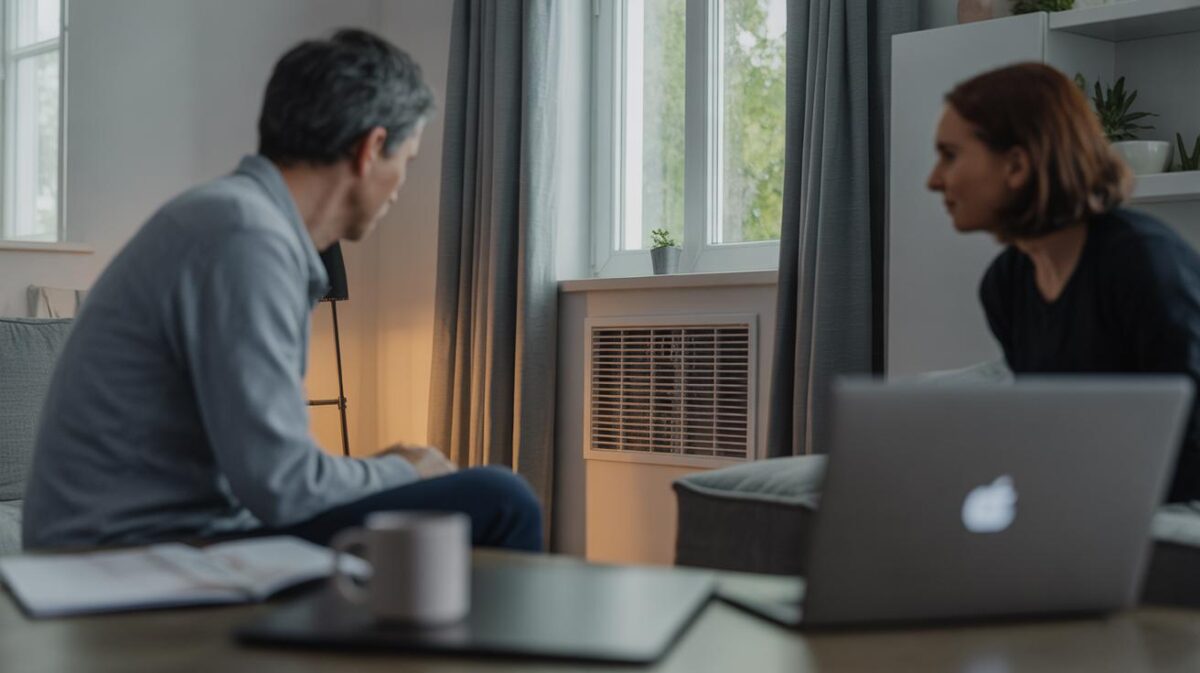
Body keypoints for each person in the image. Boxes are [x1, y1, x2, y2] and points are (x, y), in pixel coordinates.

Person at [22, 29, 542, 551]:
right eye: (405, 162)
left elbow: (267, 474)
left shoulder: (235, 221)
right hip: (120, 556)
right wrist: (405, 470)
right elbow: (284, 486)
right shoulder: (245, 236)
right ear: (371, 148)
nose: (401, 187)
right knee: (502, 499)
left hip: (155, 535)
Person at [926, 62, 1200, 504]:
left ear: (1016, 165)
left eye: (950, 156)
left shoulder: (1143, 262)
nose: (934, 180)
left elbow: (1190, 443)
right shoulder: (1006, 283)